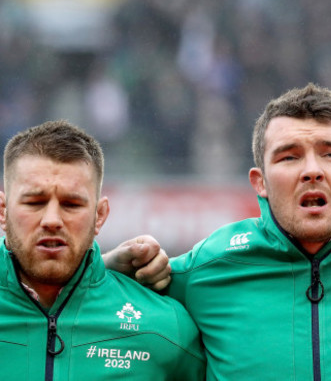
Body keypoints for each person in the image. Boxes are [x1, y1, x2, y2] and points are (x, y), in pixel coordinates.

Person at [107, 83, 331, 380]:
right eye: (289, 157)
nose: (312, 170)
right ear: (259, 182)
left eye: (330, 154)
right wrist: (107, 269)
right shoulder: (206, 271)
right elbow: (75, 302)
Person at [0, 120, 205, 380]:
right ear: (3, 211)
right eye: (34, 202)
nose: (52, 219)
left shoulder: (164, 328)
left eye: (71, 204)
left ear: (100, 216)